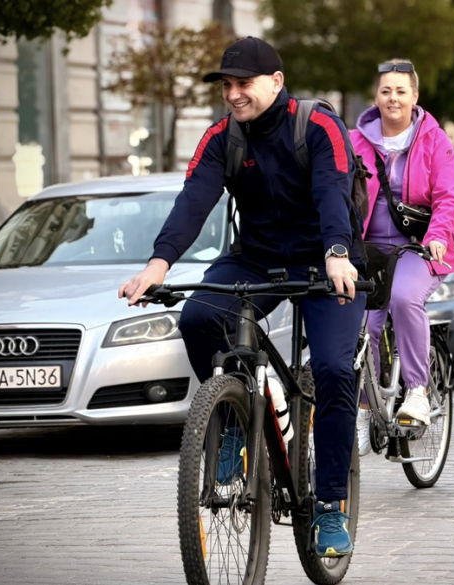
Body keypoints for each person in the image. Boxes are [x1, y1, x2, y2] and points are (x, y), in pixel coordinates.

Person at [119, 37, 365, 557]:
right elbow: (193, 202)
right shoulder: (221, 138)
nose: (232, 94)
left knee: (334, 371)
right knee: (199, 317)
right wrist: (157, 265)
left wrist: (338, 251)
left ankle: (330, 506)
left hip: (327, 260)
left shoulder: (318, 126)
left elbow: (332, 190)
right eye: (226, 85)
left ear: (276, 82)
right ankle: (233, 423)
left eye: (242, 84)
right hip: (256, 257)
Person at [349, 59, 454, 451]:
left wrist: (436, 236)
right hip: (366, 248)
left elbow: (448, 196)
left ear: (414, 96)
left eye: (400, 91)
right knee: (361, 322)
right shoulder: (354, 140)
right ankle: (365, 409)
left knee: (402, 297)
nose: (392, 98)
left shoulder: (434, 139)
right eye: (385, 91)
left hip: (419, 245)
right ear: (375, 97)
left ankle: (416, 389)